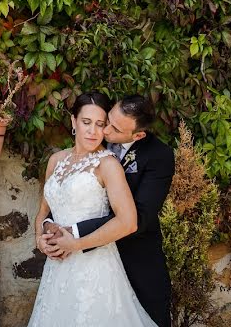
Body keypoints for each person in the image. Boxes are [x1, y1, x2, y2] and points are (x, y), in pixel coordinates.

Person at [41, 95, 175, 327]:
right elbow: (61, 201)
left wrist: (73, 233)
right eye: (107, 120)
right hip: (71, 263)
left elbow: (138, 219)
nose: (104, 130)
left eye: (112, 127)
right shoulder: (69, 154)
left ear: (138, 135)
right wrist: (46, 230)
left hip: (133, 259)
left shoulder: (158, 156)